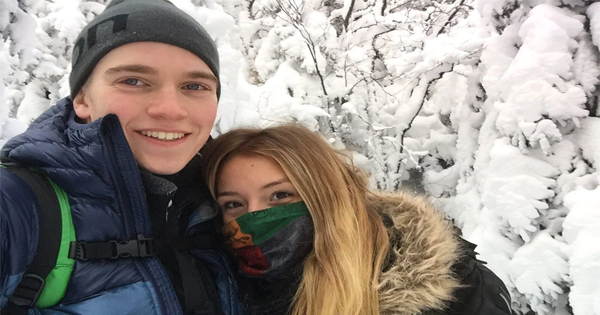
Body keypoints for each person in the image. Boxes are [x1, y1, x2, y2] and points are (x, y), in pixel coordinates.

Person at [0, 0, 242, 314]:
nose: (170, 109)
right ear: (83, 99)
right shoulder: (17, 206)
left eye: (194, 85)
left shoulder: (229, 198)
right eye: (133, 81)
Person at [201, 124, 514, 315]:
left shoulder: (460, 294)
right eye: (234, 203)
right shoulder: (227, 286)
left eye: (280, 196)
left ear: (327, 194)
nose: (255, 217)